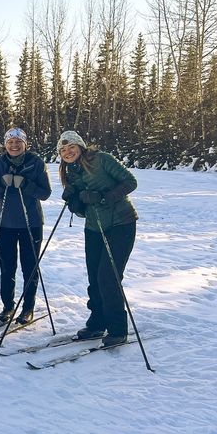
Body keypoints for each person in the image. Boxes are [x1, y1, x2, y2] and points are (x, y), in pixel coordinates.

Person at [57, 130, 138, 346]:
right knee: (94, 276)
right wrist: (74, 201)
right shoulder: (70, 172)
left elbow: (130, 182)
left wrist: (103, 197)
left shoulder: (102, 159)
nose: (67, 152)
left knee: (108, 277)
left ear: (81, 146)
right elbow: (84, 210)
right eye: (63, 150)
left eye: (71, 146)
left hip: (121, 223)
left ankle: (117, 329)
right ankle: (97, 322)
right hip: (94, 227)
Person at [0, 127, 51, 325]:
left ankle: (28, 307)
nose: (14, 145)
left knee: (29, 267)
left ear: (25, 143)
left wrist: (25, 185)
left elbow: (45, 193)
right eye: (10, 142)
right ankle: (8, 306)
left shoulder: (36, 163)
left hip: (30, 222)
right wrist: (1, 182)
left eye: (18, 142)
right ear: (5, 145)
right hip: (5, 223)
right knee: (7, 267)